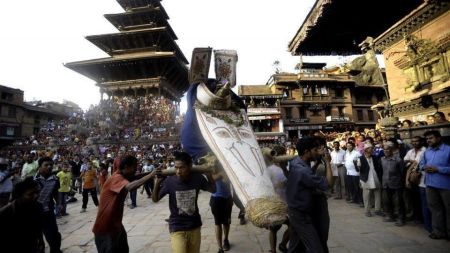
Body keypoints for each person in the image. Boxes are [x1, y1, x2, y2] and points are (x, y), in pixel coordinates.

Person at [152, 151, 216, 253]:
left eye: (181, 167)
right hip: (177, 226)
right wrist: (157, 183)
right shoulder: (170, 181)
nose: (178, 171)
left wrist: (209, 175)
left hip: (194, 225)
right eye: (176, 168)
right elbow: (155, 199)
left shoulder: (198, 178)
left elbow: (213, 190)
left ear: (190, 166)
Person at [92, 155, 155, 253]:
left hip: (115, 225)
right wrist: (151, 175)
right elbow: (130, 186)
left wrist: (152, 173)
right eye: (134, 167)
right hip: (106, 227)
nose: (136, 170)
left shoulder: (122, 175)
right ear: (126, 167)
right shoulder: (117, 178)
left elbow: (135, 177)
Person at [286, 137, 332, 253]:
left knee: (295, 247)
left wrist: (317, 161)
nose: (318, 152)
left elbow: (309, 173)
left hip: (295, 210)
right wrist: (327, 162)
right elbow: (328, 184)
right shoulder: (303, 171)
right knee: (316, 249)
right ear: (307, 152)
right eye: (315, 150)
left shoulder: (296, 162)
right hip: (301, 215)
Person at [419, 130, 450, 240]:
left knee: (448, 209)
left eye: (431, 138)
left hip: (446, 185)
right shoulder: (427, 151)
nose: (428, 141)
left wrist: (438, 169)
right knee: (435, 209)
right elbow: (421, 164)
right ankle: (438, 232)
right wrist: (424, 167)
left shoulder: (448, 150)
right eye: (427, 139)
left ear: (438, 138)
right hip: (430, 184)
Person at [0, 177, 43, 253]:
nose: (36, 196)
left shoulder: (38, 207)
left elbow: (38, 228)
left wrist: (40, 241)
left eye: (37, 192)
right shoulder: (5, 213)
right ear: (19, 195)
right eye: (30, 194)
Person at [34, 157, 63, 253]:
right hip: (35, 212)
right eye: (46, 165)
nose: (49, 167)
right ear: (40, 167)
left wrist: (58, 204)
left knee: (53, 235)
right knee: (37, 237)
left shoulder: (55, 179)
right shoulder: (34, 180)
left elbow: (55, 192)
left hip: (49, 210)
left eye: (51, 164)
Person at [265, 146, 289, 253]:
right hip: (275, 203)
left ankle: (283, 244)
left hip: (287, 203)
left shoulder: (287, 168)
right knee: (273, 229)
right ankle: (273, 250)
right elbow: (265, 186)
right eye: (283, 154)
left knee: (293, 226)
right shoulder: (269, 170)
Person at [404, 136, 430, 231]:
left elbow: (416, 163)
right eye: (413, 141)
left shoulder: (424, 151)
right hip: (413, 178)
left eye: (417, 141)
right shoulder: (410, 151)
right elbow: (405, 160)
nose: (415, 143)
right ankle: (417, 217)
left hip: (422, 179)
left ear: (421, 142)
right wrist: (412, 162)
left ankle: (424, 220)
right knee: (414, 198)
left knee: (423, 201)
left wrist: (411, 162)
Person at [381, 141, 405, 226]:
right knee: (387, 201)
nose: (386, 151)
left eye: (388, 149)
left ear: (391, 150)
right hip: (385, 184)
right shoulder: (382, 159)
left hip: (396, 184)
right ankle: (390, 216)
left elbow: (402, 173)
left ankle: (400, 219)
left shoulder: (398, 160)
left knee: (398, 202)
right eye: (384, 150)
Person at [357, 143, 383, 217]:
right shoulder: (360, 158)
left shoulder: (374, 157)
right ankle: (367, 211)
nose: (372, 150)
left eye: (372, 148)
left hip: (375, 178)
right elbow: (358, 169)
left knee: (378, 194)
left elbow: (378, 168)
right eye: (370, 148)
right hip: (366, 179)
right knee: (366, 196)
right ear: (365, 150)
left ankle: (377, 210)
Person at [210, 169, 233, 253]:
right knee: (217, 223)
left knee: (227, 222)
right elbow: (211, 179)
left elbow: (230, 179)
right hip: (216, 198)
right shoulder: (211, 165)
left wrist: (223, 174)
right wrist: (221, 174)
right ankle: (220, 248)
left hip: (228, 197)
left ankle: (226, 239)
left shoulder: (228, 164)